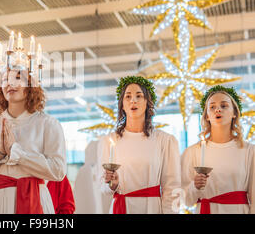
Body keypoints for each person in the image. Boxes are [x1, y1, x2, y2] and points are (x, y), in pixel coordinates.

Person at [0, 69, 66, 213]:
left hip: (35, 200)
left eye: (18, 78)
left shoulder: (48, 124)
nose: (10, 83)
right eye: (5, 80)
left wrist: (16, 153)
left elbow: (58, 170)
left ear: (31, 85)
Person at [97, 76, 181, 214]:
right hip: (121, 208)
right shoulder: (109, 141)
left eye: (139, 96)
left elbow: (172, 187)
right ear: (122, 105)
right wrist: (113, 184)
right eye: (128, 97)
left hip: (151, 208)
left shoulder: (164, 140)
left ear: (147, 102)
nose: (133, 101)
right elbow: (103, 186)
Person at [181, 85, 254, 214]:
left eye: (224, 106)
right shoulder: (192, 152)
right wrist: (194, 186)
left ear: (234, 113)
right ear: (207, 116)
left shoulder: (249, 151)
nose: (217, 110)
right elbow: (183, 200)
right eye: (212, 107)